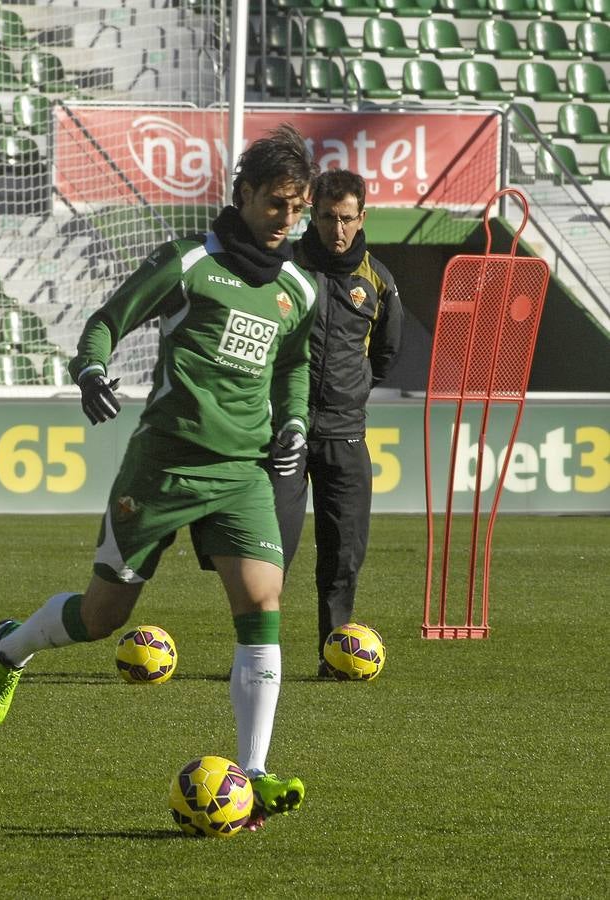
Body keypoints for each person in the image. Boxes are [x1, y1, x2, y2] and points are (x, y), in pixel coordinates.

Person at [0, 124, 320, 830]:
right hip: (163, 468)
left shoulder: (298, 290)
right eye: (277, 204)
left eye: (299, 207)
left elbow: (293, 367)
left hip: (241, 473)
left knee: (263, 605)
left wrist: (292, 423)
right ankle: (11, 645)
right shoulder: (191, 262)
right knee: (104, 619)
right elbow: (108, 320)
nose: (288, 220)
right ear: (245, 194)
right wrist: (91, 369)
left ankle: (251, 776)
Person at [269, 169, 403, 677]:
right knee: (269, 553)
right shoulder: (281, 268)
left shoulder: (379, 281)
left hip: (346, 438)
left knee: (343, 558)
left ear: (361, 217)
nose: (337, 229)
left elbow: (387, 355)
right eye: (327, 217)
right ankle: (261, 658)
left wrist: (349, 399)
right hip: (281, 433)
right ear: (312, 216)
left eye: (347, 218)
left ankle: (335, 658)